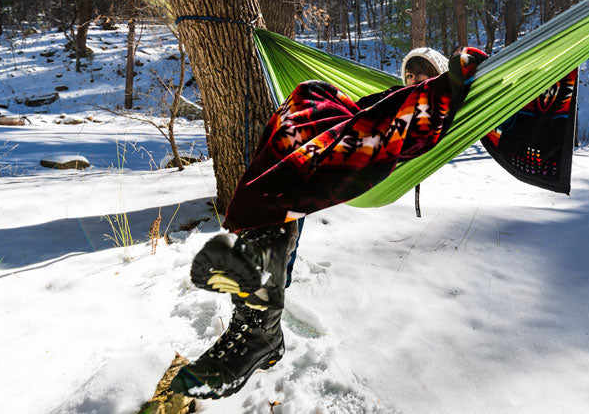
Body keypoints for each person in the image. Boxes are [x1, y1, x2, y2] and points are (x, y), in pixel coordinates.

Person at [171, 46, 483, 399]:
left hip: (378, 140)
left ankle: (260, 327)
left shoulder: (422, 100)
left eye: (422, 73)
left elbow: (409, 111)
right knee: (306, 105)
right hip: (345, 139)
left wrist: (447, 82)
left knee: (291, 168)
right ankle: (256, 318)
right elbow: (359, 110)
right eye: (409, 75)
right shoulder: (393, 96)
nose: (412, 79)